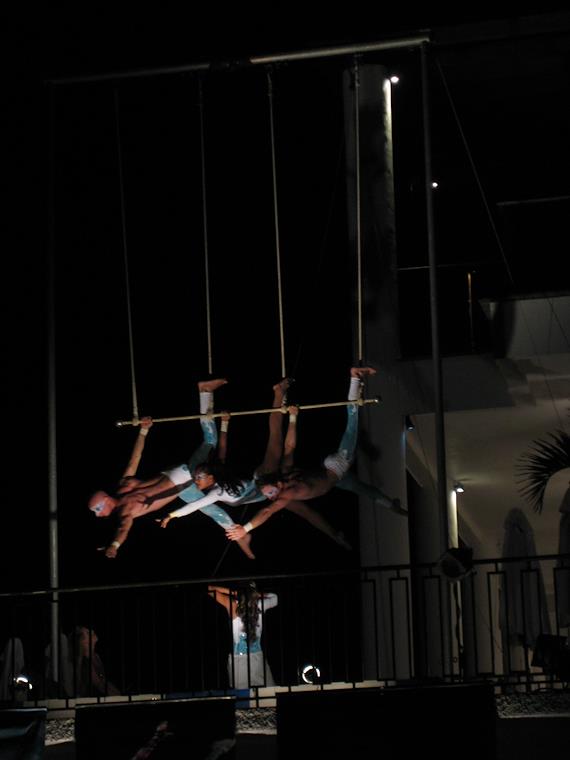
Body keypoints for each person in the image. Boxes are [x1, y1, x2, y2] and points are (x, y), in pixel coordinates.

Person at [158, 380, 351, 549]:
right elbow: (197, 503)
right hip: (267, 491)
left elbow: (198, 500)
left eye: (198, 478)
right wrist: (172, 515)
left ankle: (279, 395)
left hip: (263, 479)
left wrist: (172, 515)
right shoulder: (217, 487)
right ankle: (334, 535)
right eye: (197, 479)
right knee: (303, 510)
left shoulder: (217, 489)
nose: (196, 481)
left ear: (211, 477)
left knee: (277, 440)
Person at [225, 367, 404, 544]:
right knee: (362, 489)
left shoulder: (288, 493)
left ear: (278, 484)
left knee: (352, 425)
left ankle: (354, 378)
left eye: (271, 493)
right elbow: (290, 447)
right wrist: (293, 418)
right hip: (334, 477)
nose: (271, 498)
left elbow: (267, 512)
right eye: (269, 496)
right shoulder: (285, 472)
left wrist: (245, 529)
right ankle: (391, 505)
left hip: (337, 468)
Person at [87, 379, 254, 559]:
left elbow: (123, 529)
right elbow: (134, 460)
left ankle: (205, 391)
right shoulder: (123, 486)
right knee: (210, 509)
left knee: (210, 442)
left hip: (184, 477)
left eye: (97, 510)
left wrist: (115, 546)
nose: (98, 515)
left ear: (105, 500)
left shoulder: (125, 511)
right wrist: (144, 431)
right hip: (179, 484)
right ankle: (241, 537)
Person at [208, 583, 278, 689]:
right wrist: (255, 595)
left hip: (243, 658)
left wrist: (234, 593)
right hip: (252, 657)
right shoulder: (259, 605)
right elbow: (275, 598)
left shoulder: (233, 605)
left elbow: (210, 589)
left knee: (248, 695)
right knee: (266, 692)